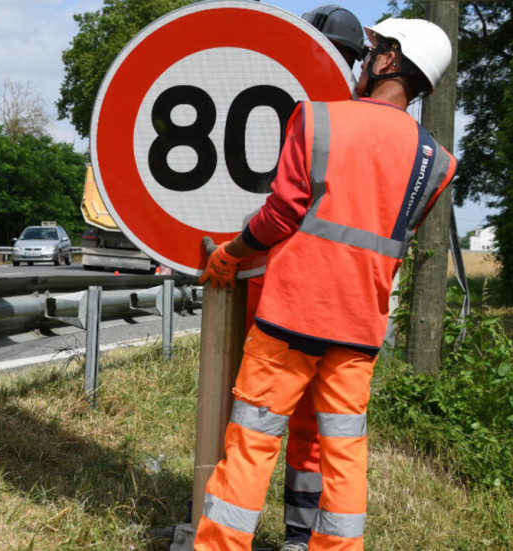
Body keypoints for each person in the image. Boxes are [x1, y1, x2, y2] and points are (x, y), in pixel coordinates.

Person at [195, 17, 456, 551]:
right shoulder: (438, 162)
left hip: (290, 316)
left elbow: (281, 214)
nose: (363, 63)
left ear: (388, 60)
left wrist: (230, 253)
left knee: (252, 443)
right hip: (359, 327)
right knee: (344, 451)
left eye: (372, 52)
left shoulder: (318, 119)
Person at [243, 7, 367, 551]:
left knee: (259, 425)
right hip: (319, 298)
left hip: (281, 287)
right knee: (298, 428)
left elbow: (284, 208)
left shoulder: (325, 121)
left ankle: (267, 532)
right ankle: (294, 535)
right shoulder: (340, 121)